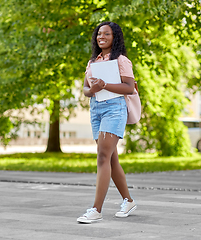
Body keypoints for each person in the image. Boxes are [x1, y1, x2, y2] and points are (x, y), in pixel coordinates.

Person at [77, 22, 137, 224]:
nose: (101, 37)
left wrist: (105, 85)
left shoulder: (121, 60)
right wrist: (92, 90)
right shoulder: (93, 61)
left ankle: (96, 209)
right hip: (96, 109)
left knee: (102, 156)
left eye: (106, 34)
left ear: (115, 37)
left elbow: (129, 88)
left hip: (114, 109)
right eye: (98, 34)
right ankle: (128, 201)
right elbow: (86, 90)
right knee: (111, 159)